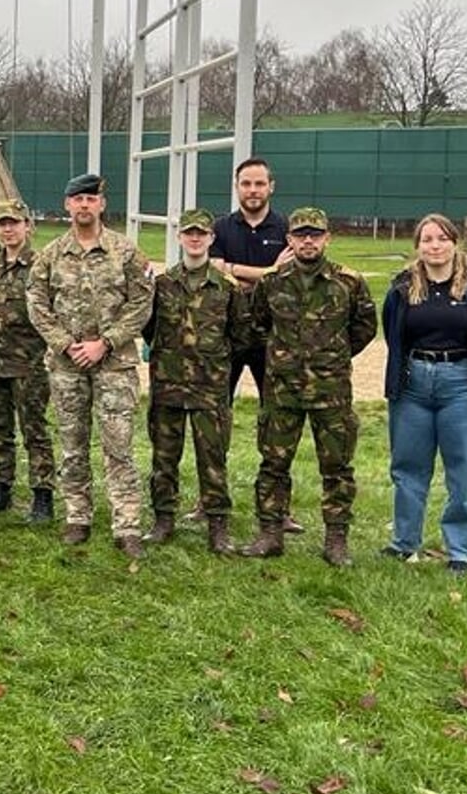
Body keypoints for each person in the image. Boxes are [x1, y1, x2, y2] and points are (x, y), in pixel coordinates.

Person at [242, 207, 377, 565]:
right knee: (273, 463)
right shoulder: (272, 282)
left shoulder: (348, 282)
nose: (307, 241)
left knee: (337, 467)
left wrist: (331, 355)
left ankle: (336, 540)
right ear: (289, 240)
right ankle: (270, 533)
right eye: (300, 235)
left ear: (327, 238)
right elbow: (257, 326)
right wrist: (284, 356)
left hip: (330, 393)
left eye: (314, 235)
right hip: (282, 391)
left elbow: (364, 328)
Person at [26, 173, 152, 558]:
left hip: (115, 365)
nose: (83, 205)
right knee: (72, 446)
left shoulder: (126, 252)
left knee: (119, 447)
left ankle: (126, 524)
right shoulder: (50, 255)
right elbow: (36, 303)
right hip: (67, 367)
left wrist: (105, 343)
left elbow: (142, 302)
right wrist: (66, 345)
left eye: (90, 199)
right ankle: (77, 517)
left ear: (101, 204)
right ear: (67, 205)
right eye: (76, 199)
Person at [381, 214, 467, 575]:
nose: (434, 246)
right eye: (426, 240)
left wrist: (466, 368)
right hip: (413, 386)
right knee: (407, 468)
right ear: (417, 246)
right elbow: (393, 332)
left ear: (455, 242)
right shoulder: (402, 289)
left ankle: (461, 551)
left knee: (465, 472)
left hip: (463, 386)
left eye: (441, 239)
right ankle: (404, 543)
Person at [146, 209, 252, 555]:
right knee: (164, 457)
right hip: (168, 385)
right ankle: (164, 519)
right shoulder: (163, 285)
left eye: (201, 234)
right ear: (180, 237)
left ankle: (218, 524)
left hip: (210, 388)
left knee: (213, 457)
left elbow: (241, 336)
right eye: (189, 233)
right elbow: (150, 330)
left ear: (210, 239)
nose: (194, 239)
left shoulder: (227, 287)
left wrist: (215, 364)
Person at [209, 156, 304, 534]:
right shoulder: (220, 227)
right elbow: (213, 268)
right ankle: (210, 501)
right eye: (246, 184)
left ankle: (279, 508)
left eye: (259, 184)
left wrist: (234, 270)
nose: (252, 191)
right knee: (215, 420)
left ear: (271, 187)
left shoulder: (287, 229)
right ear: (237, 186)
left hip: (273, 340)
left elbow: (294, 275)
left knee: (278, 423)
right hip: (228, 337)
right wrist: (267, 272)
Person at [0, 199, 54, 522]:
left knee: (34, 430)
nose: (8, 229)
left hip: (28, 364)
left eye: (15, 223)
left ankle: (42, 495)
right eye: (3, 223)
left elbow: (51, 312)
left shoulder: (40, 265)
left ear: (27, 226)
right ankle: (0, 488)